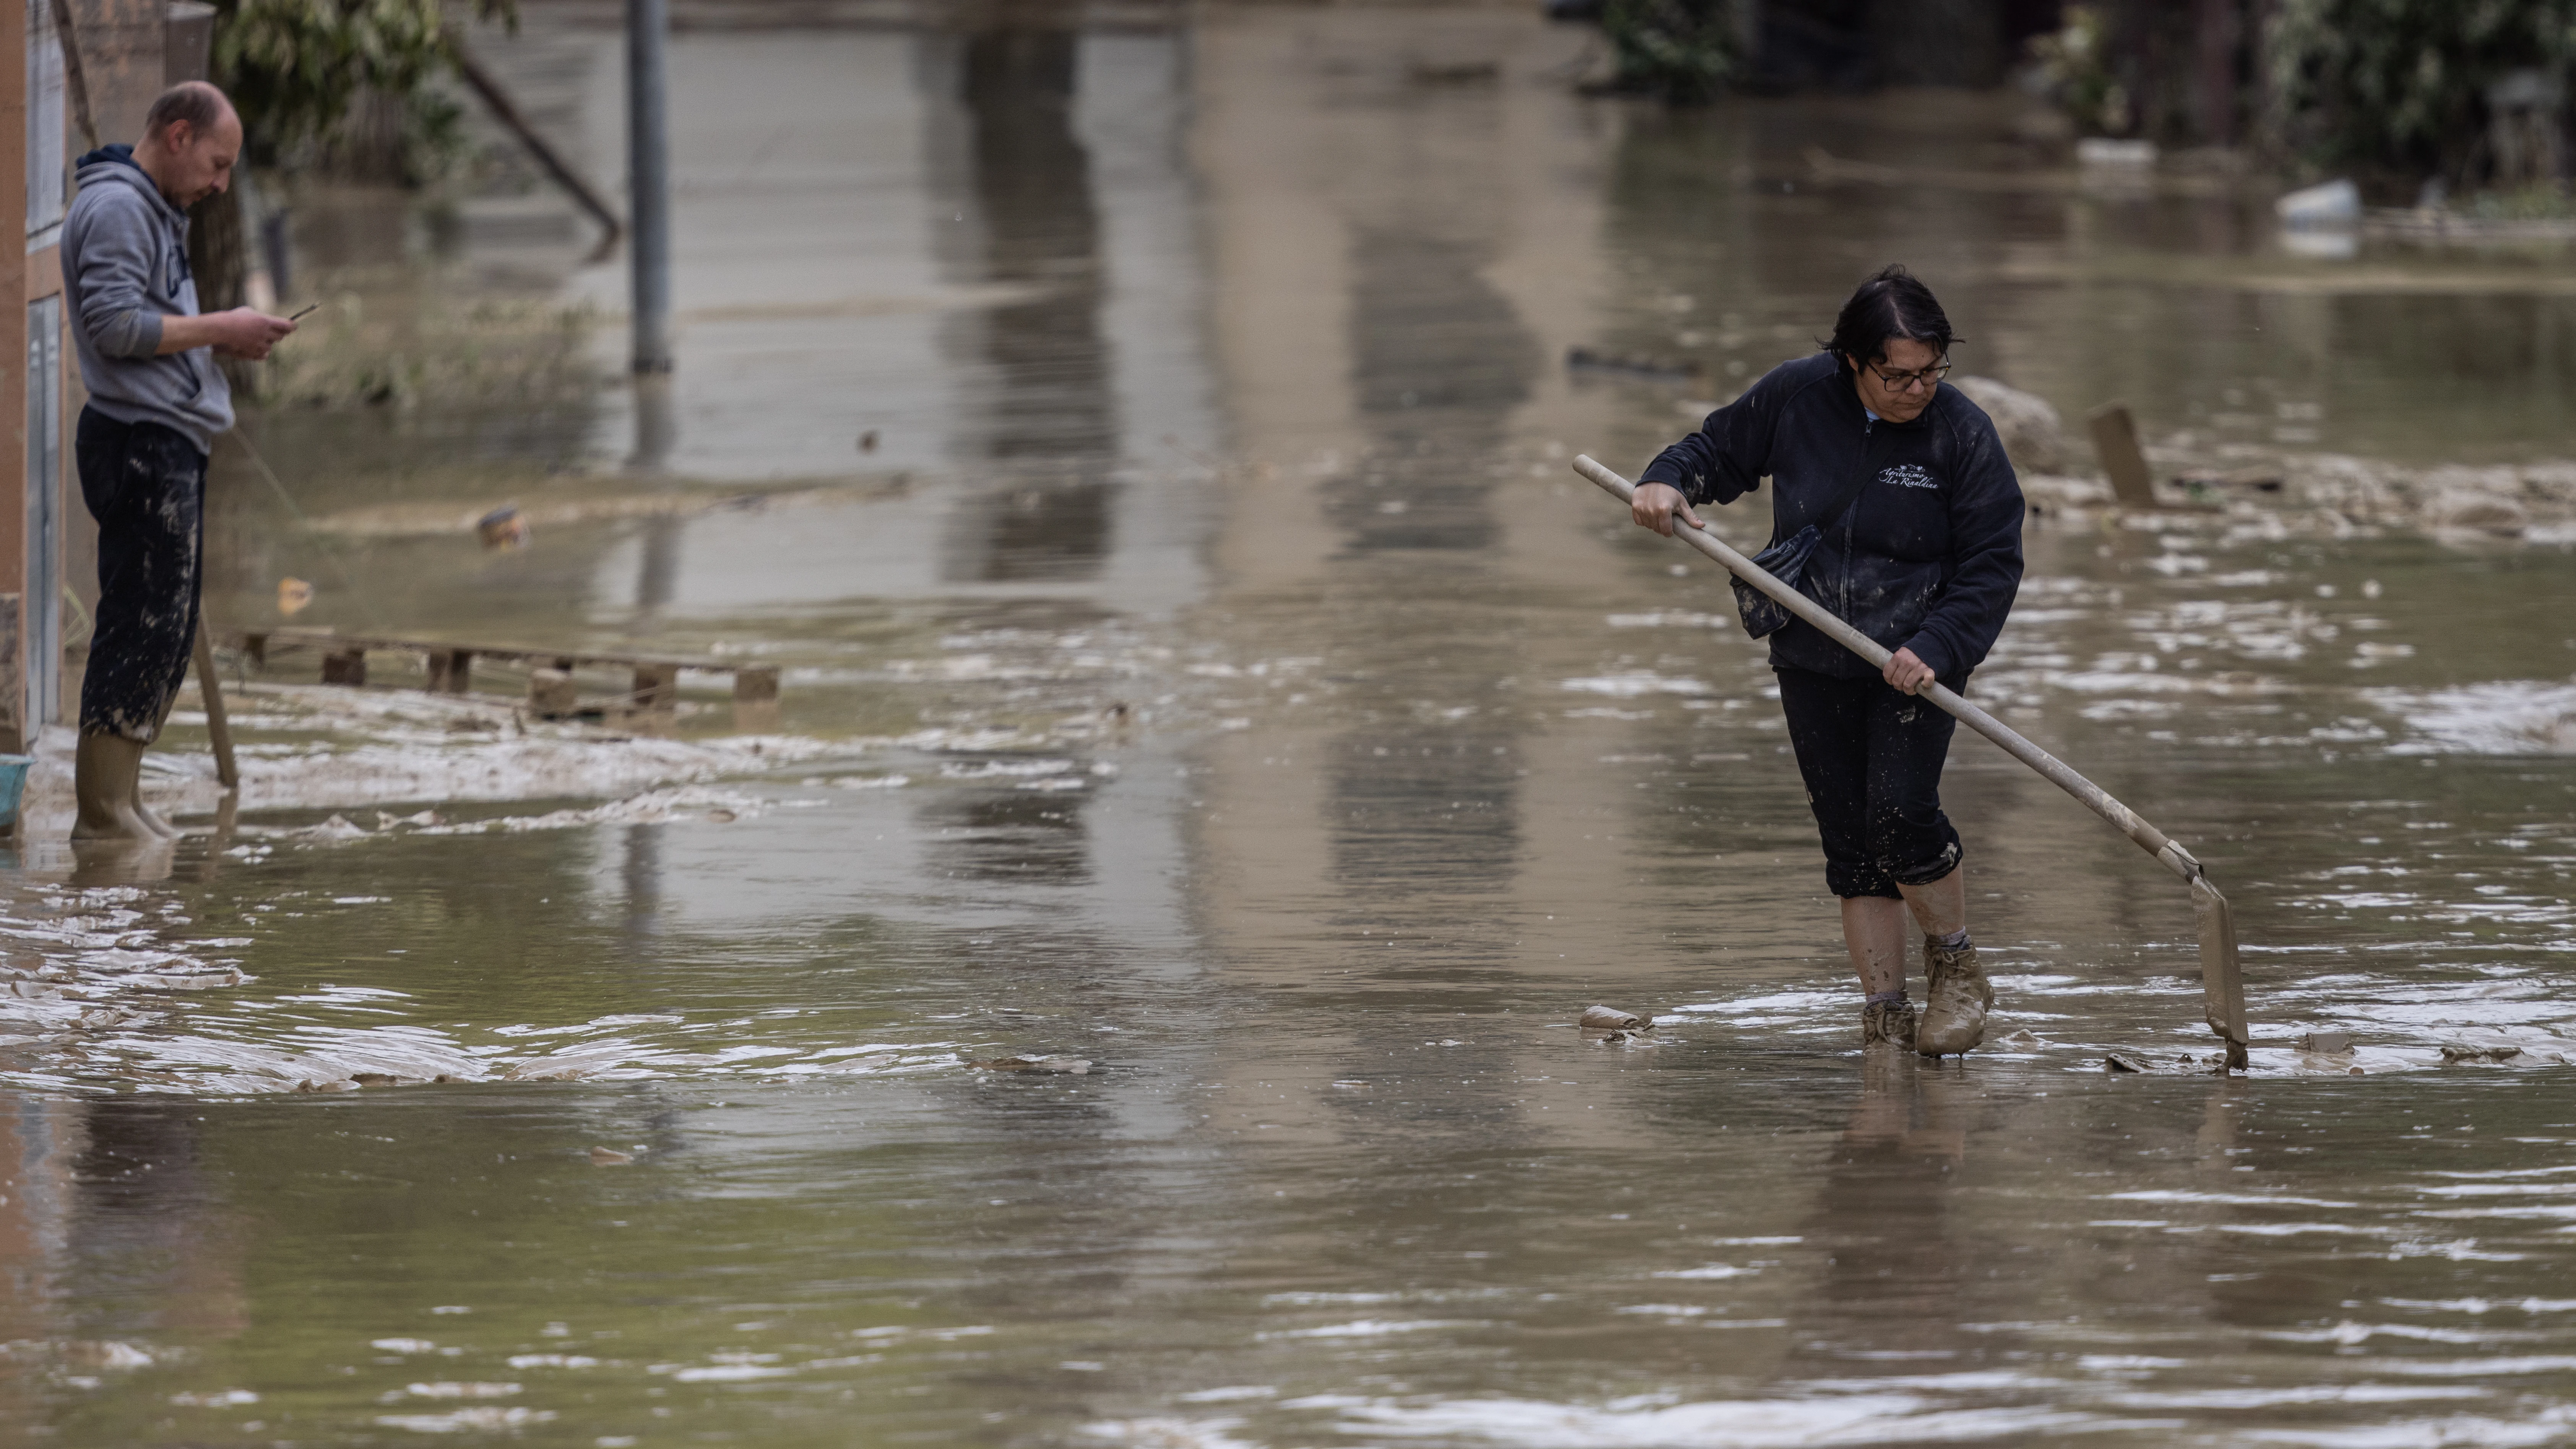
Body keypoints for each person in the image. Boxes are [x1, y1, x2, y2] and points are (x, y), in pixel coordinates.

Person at [1628, 265, 2024, 1057]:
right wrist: (1667, 481)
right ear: (1853, 362)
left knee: (1901, 814)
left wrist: (1936, 647)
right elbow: (1716, 451)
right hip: (1812, 646)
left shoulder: (1962, 432)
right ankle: (1884, 1021)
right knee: (1850, 841)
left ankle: (1958, 968)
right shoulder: (1797, 395)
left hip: (1915, 656)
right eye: (1899, 375)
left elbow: (1992, 562)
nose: (1918, 389)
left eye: (1931, 371)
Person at [61, 81, 296, 839]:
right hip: (137, 441)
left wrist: (218, 332)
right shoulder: (121, 209)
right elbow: (112, 325)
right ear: (178, 135)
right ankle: (101, 812)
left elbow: (142, 317)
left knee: (165, 624)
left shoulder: (155, 208)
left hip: (164, 438)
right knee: (138, 620)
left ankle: (121, 798)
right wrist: (220, 326)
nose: (221, 183)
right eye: (217, 163)